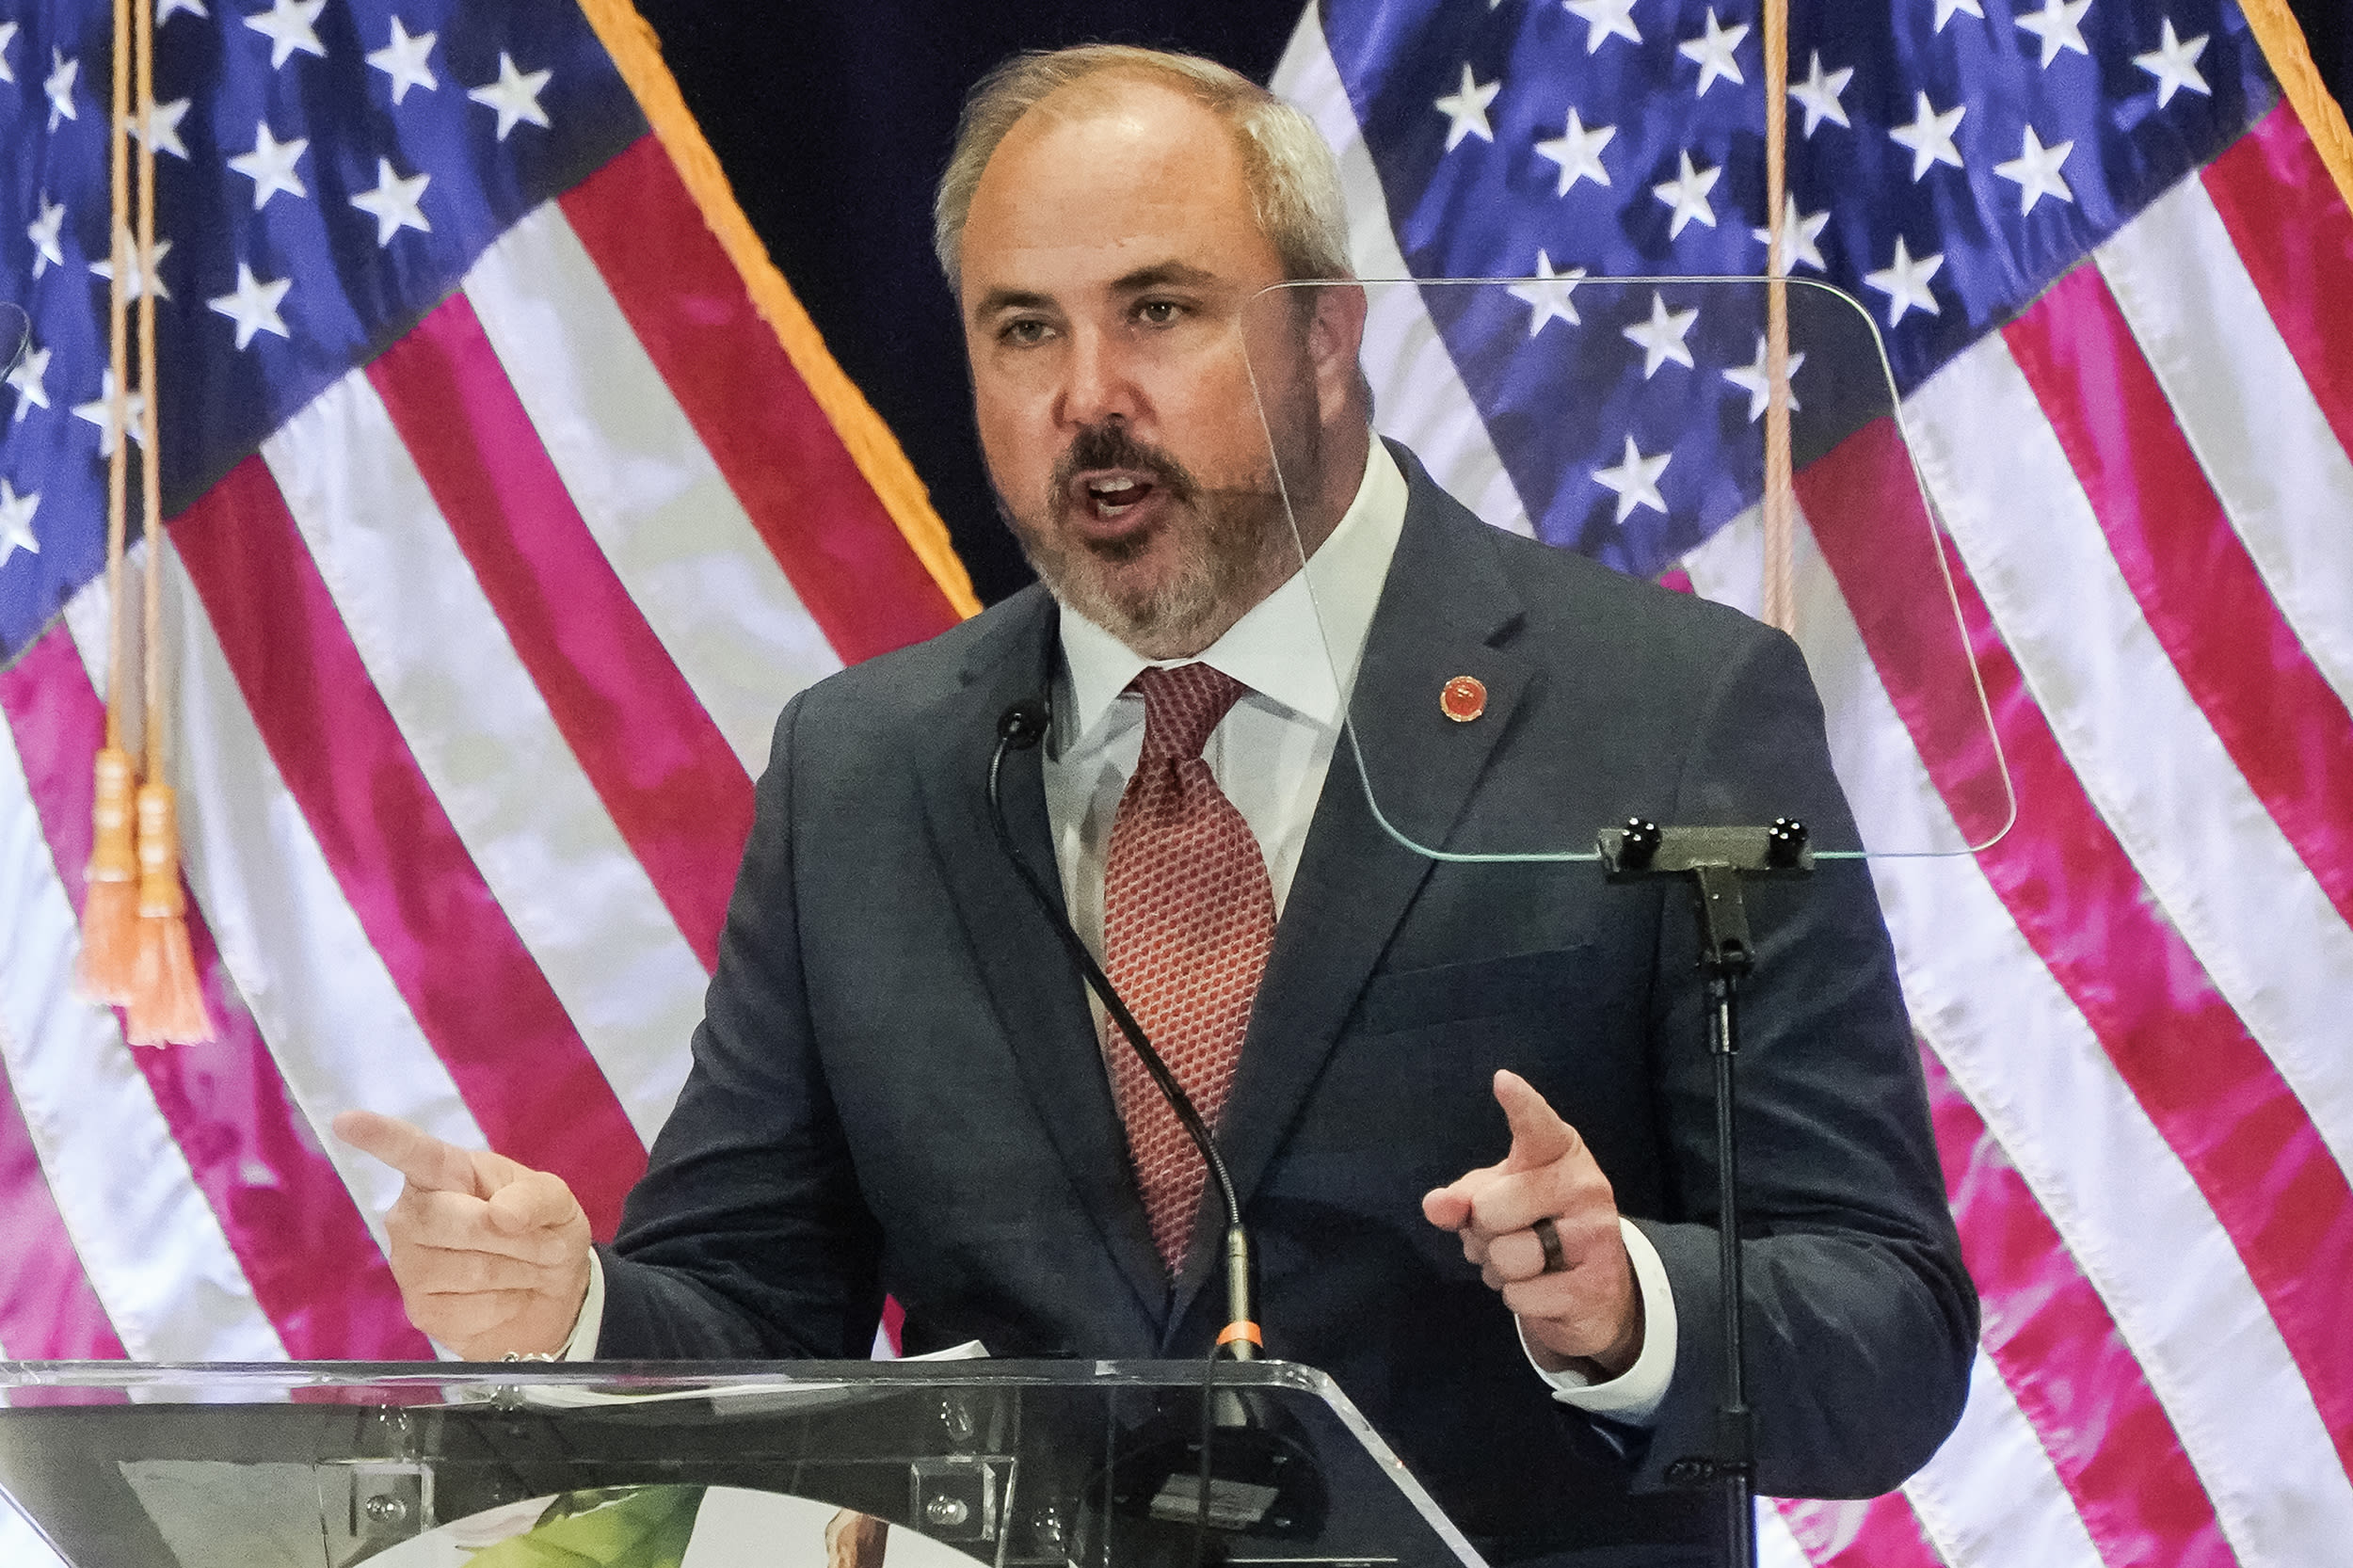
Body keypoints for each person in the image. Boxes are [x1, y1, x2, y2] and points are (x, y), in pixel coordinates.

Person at [338, 44, 1975, 1563]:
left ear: (1327, 332)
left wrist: (1630, 1309)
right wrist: (574, 1306)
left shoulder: (1667, 710)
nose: (1088, 394)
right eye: (1024, 327)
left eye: (1163, 310)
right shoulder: (869, 765)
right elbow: (760, 1304)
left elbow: (1889, 1332)